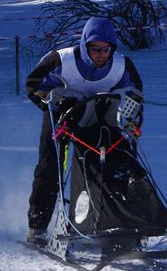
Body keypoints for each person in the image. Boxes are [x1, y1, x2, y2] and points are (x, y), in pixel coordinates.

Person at [24, 16, 143, 245]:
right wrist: (51, 98)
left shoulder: (121, 66)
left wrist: (132, 120)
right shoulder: (61, 60)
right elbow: (33, 84)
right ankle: (37, 227)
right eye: (95, 48)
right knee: (50, 168)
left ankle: (117, 222)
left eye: (106, 49)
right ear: (85, 45)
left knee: (116, 163)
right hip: (60, 115)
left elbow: (135, 94)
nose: (101, 54)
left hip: (99, 116)